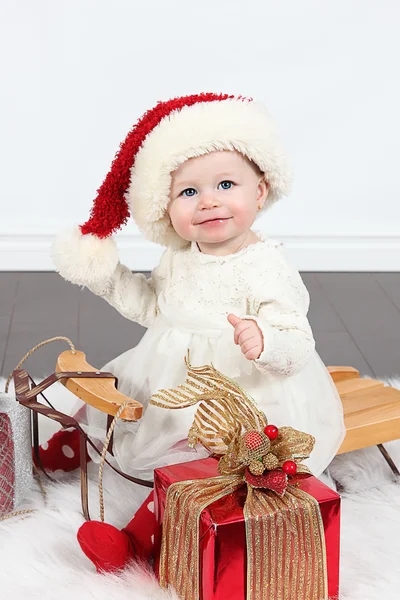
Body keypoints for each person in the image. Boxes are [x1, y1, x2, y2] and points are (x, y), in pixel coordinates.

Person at [43, 92, 346, 572]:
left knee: (201, 465)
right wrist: (107, 276)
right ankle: (65, 449)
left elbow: (296, 338)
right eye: (189, 192)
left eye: (226, 184)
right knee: (114, 391)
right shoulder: (178, 257)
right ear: (167, 208)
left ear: (260, 191)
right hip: (172, 374)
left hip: (241, 394)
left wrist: (264, 340)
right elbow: (153, 308)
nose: (208, 201)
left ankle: (137, 539)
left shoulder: (267, 266)